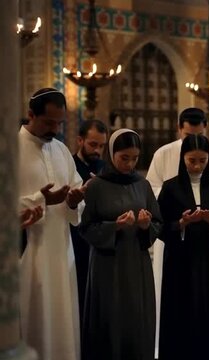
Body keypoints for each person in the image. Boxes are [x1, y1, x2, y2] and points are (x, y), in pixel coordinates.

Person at [146, 107, 209, 352]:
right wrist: (181, 223)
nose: (197, 166)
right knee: (179, 308)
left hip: (208, 257)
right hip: (179, 257)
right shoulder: (170, 184)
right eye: (191, 161)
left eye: (202, 161)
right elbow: (158, 218)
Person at [79, 129, 161, 360]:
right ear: (112, 153)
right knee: (110, 315)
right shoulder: (96, 186)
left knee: (135, 315)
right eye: (124, 158)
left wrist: (146, 226)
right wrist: (114, 226)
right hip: (108, 265)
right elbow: (85, 227)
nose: (130, 164)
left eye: (135, 158)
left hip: (136, 262)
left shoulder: (141, 184)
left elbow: (157, 221)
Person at [18, 88, 85, 360]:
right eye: (49, 123)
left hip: (61, 250)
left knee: (63, 318)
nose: (55, 129)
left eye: (60, 123)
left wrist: (73, 200)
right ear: (31, 115)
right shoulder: (10, 149)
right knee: (33, 319)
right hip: (28, 253)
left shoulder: (61, 150)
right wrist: (41, 199)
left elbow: (76, 190)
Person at [70, 119, 108, 330]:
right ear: (80, 140)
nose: (97, 150)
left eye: (102, 146)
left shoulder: (104, 168)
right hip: (77, 240)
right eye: (93, 144)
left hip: (100, 239)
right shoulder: (70, 165)